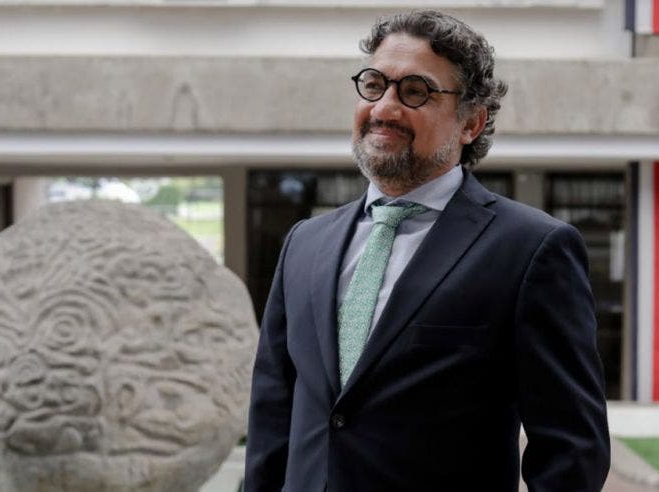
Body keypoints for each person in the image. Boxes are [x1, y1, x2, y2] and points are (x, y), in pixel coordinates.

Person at [245, 10, 610, 491]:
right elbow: (274, 414)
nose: (384, 108)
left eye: (415, 91)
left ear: (471, 123)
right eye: (374, 84)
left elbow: (572, 450)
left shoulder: (532, 250)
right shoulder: (304, 244)